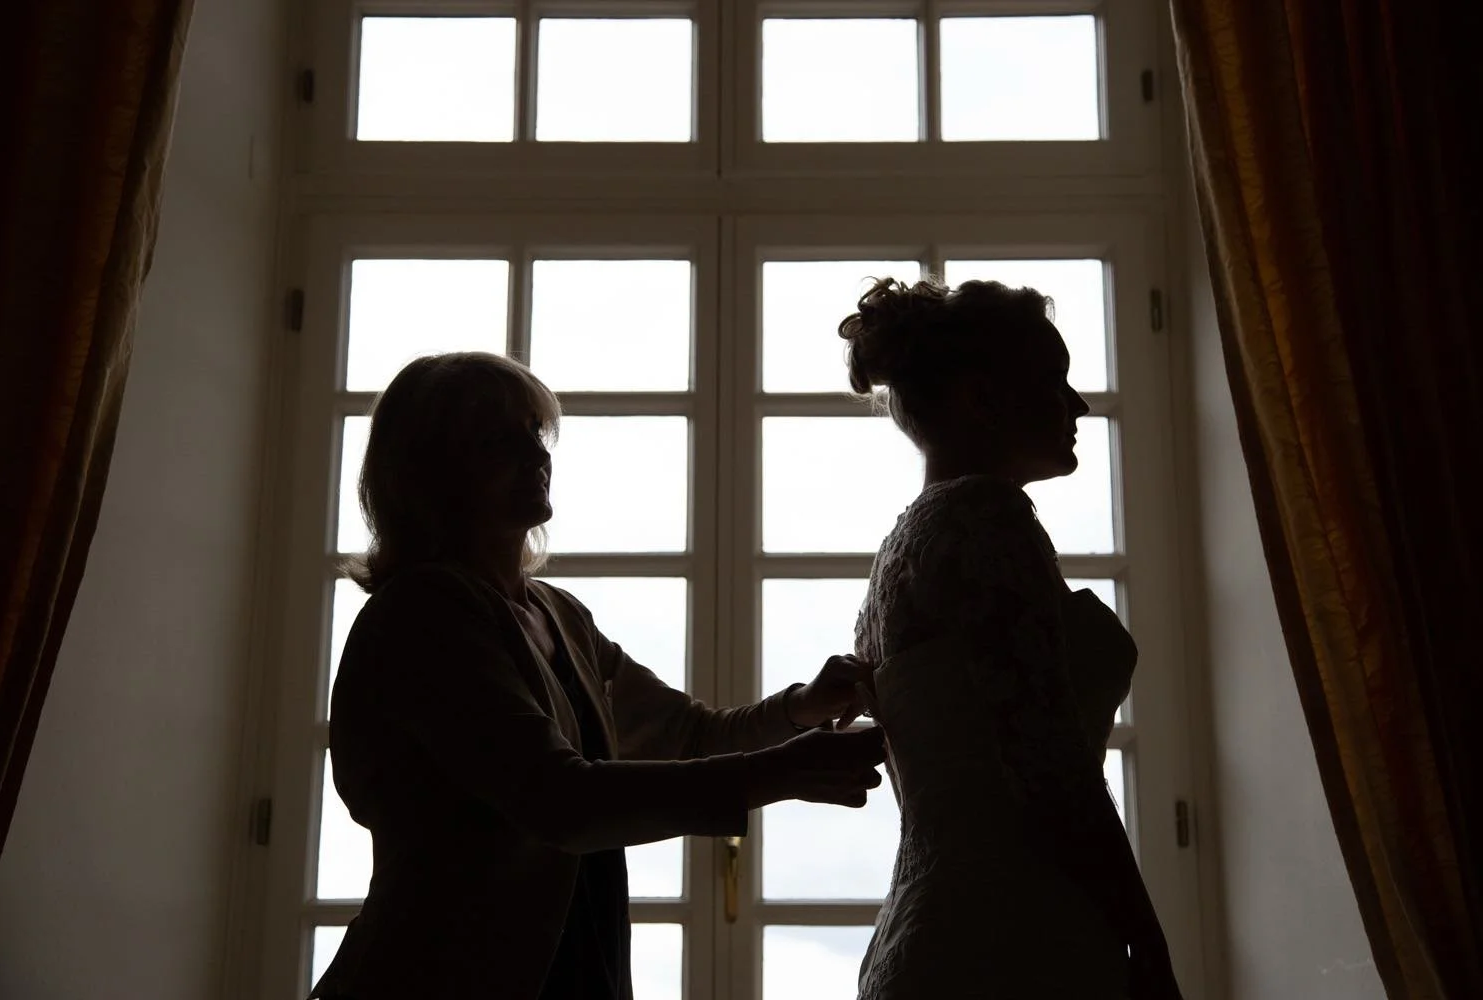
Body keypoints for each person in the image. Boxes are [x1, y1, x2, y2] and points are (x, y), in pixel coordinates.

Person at [309, 352, 885, 1000]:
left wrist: (803, 707)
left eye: (535, 432)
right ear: (430, 473)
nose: (534, 454)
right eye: (499, 438)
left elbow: (688, 733)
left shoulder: (557, 613)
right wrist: (782, 772)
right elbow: (560, 800)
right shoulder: (424, 614)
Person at [840, 278, 1182, 999]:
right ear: (982, 398)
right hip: (1014, 940)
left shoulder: (905, 544)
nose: (1079, 404)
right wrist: (1148, 946)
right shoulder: (986, 520)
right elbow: (1048, 759)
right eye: (1055, 381)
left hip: (935, 931)